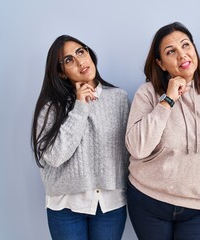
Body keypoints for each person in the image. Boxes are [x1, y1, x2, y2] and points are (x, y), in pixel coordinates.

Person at [125, 22, 200, 240]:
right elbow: (137, 148)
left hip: (199, 205)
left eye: (186, 45)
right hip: (149, 199)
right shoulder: (148, 93)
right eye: (171, 51)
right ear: (161, 63)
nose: (182, 55)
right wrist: (168, 100)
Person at [31, 35, 129, 240]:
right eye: (68, 60)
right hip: (66, 206)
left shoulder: (118, 98)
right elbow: (55, 156)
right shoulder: (51, 107)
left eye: (80, 52)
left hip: (110, 205)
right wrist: (80, 106)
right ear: (62, 73)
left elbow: (128, 152)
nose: (79, 62)